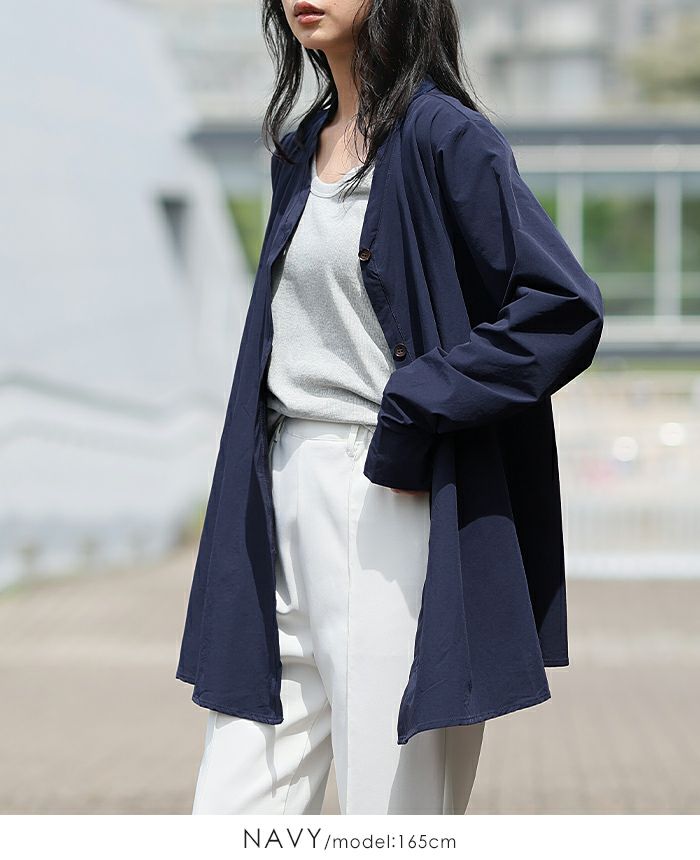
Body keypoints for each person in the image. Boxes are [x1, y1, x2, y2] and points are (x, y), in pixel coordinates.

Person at [178, 0, 605, 816]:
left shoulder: (447, 137)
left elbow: (562, 308)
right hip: (278, 494)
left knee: (392, 815)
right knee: (233, 810)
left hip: (388, 498)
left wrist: (417, 406)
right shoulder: (299, 148)